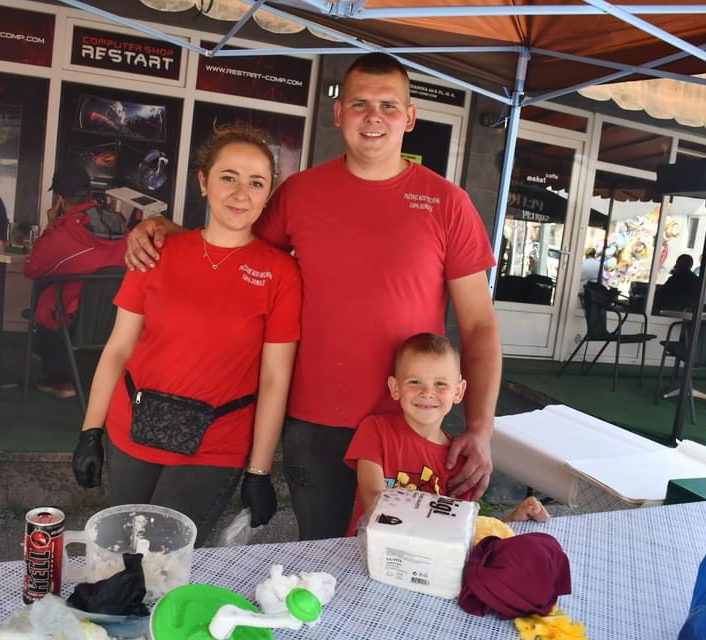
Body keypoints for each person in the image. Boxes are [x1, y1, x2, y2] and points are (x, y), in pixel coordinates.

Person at [126, 53, 501, 541]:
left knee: (407, 555)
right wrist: (168, 231)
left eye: (388, 106)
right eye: (360, 103)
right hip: (313, 420)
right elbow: (235, 246)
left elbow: (479, 325)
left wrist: (481, 428)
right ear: (339, 113)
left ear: (409, 118)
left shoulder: (448, 203)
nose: (373, 117)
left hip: (408, 422)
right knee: (320, 551)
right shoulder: (300, 193)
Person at [70, 125, 302, 546]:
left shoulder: (280, 272)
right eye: (228, 177)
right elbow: (118, 348)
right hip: (132, 431)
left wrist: (259, 470)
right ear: (203, 181)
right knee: (125, 553)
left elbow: (274, 378)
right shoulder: (154, 252)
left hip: (215, 444)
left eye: (256, 183)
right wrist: (90, 431)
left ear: (268, 193)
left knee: (165, 560)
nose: (241, 194)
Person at [343, 333, 548, 535]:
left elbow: (462, 532)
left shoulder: (458, 461)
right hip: (368, 550)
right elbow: (372, 500)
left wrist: (510, 522)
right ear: (395, 388)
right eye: (415, 382)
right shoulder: (375, 431)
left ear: (458, 392)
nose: (427, 392)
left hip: (429, 555)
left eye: (440, 384)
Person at [22, 166, 127, 399]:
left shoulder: (63, 233)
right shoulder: (121, 224)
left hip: (77, 317)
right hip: (119, 317)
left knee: (46, 297)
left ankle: (60, 379)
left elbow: (32, 269)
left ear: (59, 199)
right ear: (89, 192)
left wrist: (51, 225)